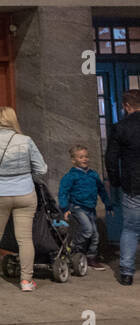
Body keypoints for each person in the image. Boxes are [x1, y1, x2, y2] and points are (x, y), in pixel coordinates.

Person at [0, 106, 48, 291]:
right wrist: (24, 175)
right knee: (24, 239)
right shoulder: (26, 141)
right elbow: (42, 169)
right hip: (25, 193)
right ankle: (26, 281)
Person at [58, 144, 113, 270]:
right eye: (81, 157)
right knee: (87, 230)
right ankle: (73, 248)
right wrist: (65, 208)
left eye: (86, 156)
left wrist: (108, 205)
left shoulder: (93, 174)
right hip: (77, 207)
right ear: (73, 160)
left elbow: (102, 190)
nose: (85, 159)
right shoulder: (71, 176)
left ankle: (91, 258)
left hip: (90, 209)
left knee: (95, 236)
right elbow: (63, 193)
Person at [105, 89, 140, 286]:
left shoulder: (120, 128)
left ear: (126, 106)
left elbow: (111, 158)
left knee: (131, 229)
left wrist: (115, 180)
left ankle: (126, 272)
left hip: (133, 184)